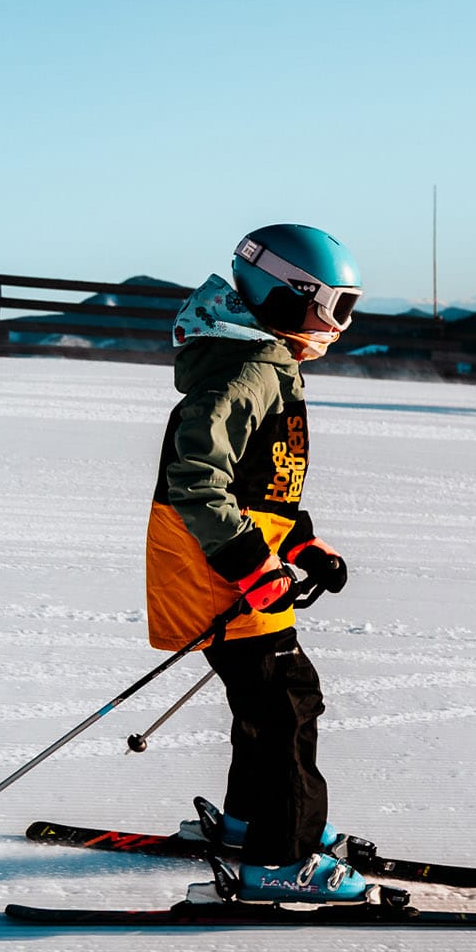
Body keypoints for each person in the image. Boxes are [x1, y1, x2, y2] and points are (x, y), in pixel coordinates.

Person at [144, 224, 366, 903]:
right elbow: (197, 477)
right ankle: (282, 857)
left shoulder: (269, 364)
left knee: (266, 701)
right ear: (289, 295)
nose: (338, 324)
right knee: (286, 704)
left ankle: (249, 824)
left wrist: (300, 545)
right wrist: (249, 562)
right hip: (216, 574)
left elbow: (261, 484)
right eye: (334, 305)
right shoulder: (248, 371)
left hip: (229, 569)